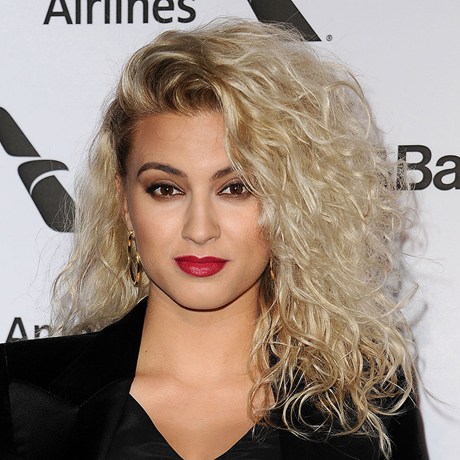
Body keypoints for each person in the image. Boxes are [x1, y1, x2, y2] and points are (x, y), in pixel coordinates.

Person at [0, 19, 428, 460]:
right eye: (166, 189)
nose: (200, 229)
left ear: (289, 201)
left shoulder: (368, 403)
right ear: (124, 203)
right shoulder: (19, 392)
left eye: (236, 188)